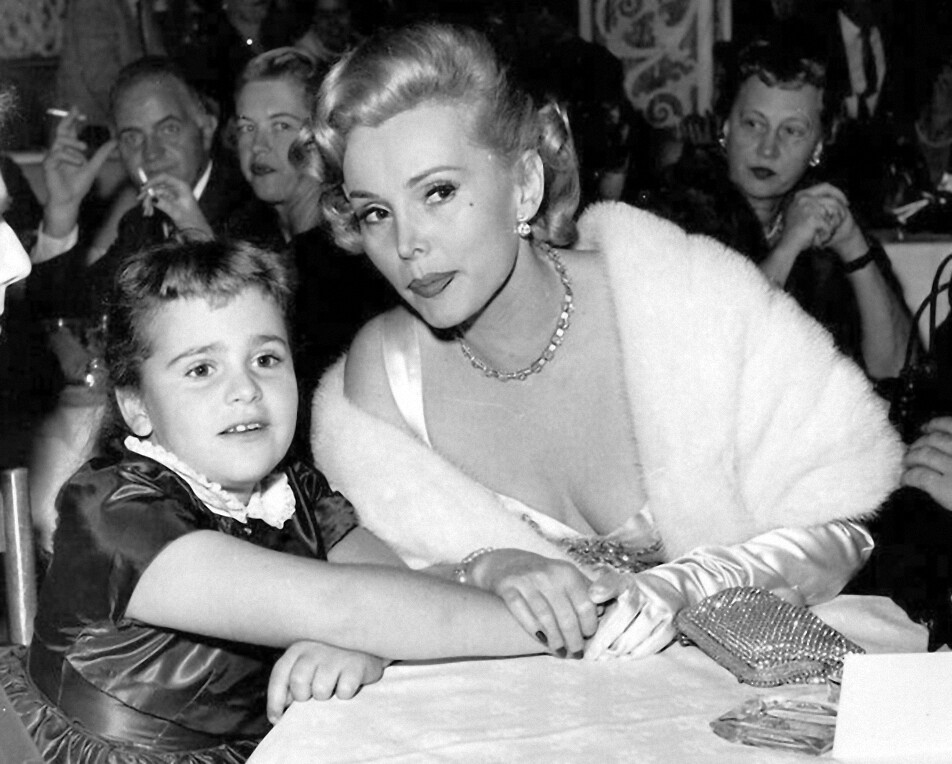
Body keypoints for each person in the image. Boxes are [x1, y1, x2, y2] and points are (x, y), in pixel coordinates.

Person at [307, 22, 903, 660]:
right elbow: (371, 585)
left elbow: (847, 518)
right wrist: (477, 570)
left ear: (525, 185)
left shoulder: (676, 296)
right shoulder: (385, 378)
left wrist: (690, 585)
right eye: (376, 212)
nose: (406, 244)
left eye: (439, 192)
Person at [0, 237, 566, 763]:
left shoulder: (292, 491)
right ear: (136, 406)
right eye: (201, 369)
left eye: (266, 359)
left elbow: (390, 589)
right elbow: (346, 607)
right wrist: (559, 626)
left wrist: (385, 633)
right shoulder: (117, 513)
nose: (245, 388)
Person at [26, 56, 255, 550]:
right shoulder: (144, 219)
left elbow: (260, 320)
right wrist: (62, 211)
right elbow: (69, 312)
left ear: (206, 124)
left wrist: (197, 233)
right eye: (132, 137)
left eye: (168, 128)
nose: (152, 151)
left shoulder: (250, 202)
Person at [640, 35, 911, 382]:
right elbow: (716, 356)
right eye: (753, 124)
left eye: (792, 131)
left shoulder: (817, 209)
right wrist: (788, 247)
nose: (768, 149)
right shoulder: (673, 215)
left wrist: (853, 247)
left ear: (818, 146)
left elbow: (896, 368)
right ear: (725, 127)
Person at [227, 47, 396, 459]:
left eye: (281, 125)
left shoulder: (349, 257)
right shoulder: (255, 234)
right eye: (247, 128)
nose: (259, 145)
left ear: (318, 137)